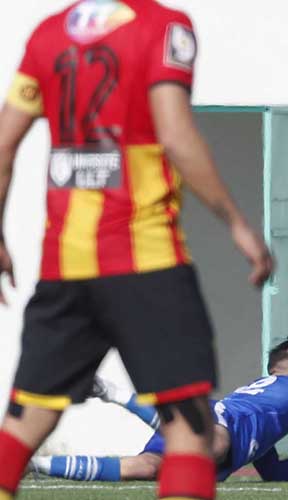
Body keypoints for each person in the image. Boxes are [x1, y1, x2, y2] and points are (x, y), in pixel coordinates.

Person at [0, 2, 273, 499]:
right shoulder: (164, 26)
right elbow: (173, 133)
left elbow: (4, 143)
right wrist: (236, 222)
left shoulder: (48, 33)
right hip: (147, 262)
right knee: (189, 429)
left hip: (65, 266)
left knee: (22, 424)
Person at [29, 338, 288, 482]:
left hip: (214, 427)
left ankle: (35, 465)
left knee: (145, 468)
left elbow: (276, 474)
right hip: (214, 427)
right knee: (211, 445)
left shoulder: (267, 409)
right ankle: (116, 392)